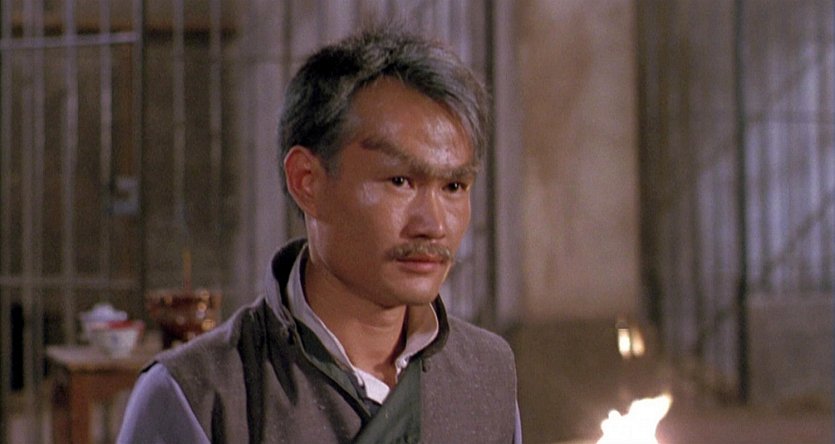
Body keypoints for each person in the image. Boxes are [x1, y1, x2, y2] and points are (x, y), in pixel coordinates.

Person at [118, 27, 521, 443]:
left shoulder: (485, 375)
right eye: (400, 181)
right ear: (307, 181)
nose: (434, 225)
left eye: (454, 186)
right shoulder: (200, 395)